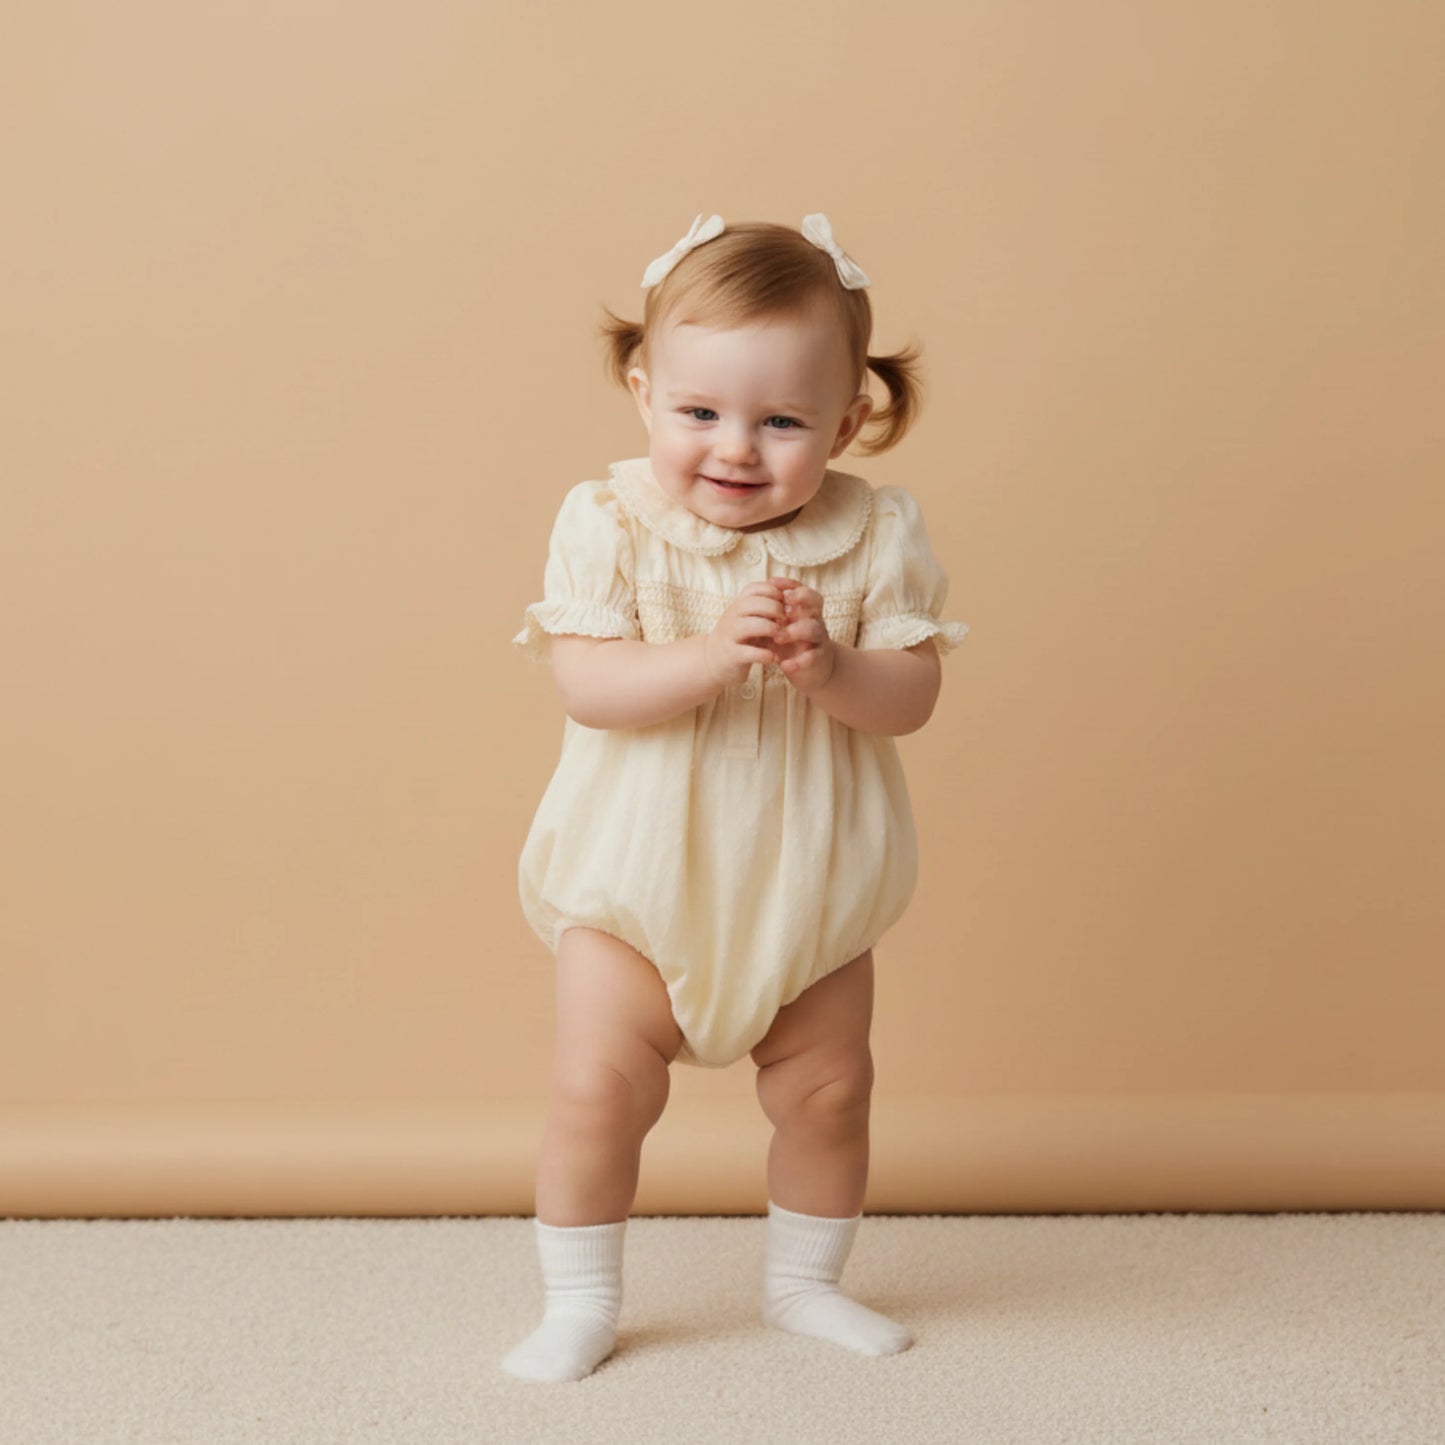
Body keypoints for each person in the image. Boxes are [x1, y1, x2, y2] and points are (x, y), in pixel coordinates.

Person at [503, 213, 969, 1382]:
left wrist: (833, 669)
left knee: (829, 1089)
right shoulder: (607, 521)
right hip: (637, 883)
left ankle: (806, 1283)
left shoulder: (871, 533)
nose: (735, 449)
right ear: (640, 385)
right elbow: (589, 682)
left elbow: (909, 696)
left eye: (781, 421)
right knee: (594, 1085)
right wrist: (714, 654)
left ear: (848, 419)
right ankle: (579, 1299)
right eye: (699, 412)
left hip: (807, 884)